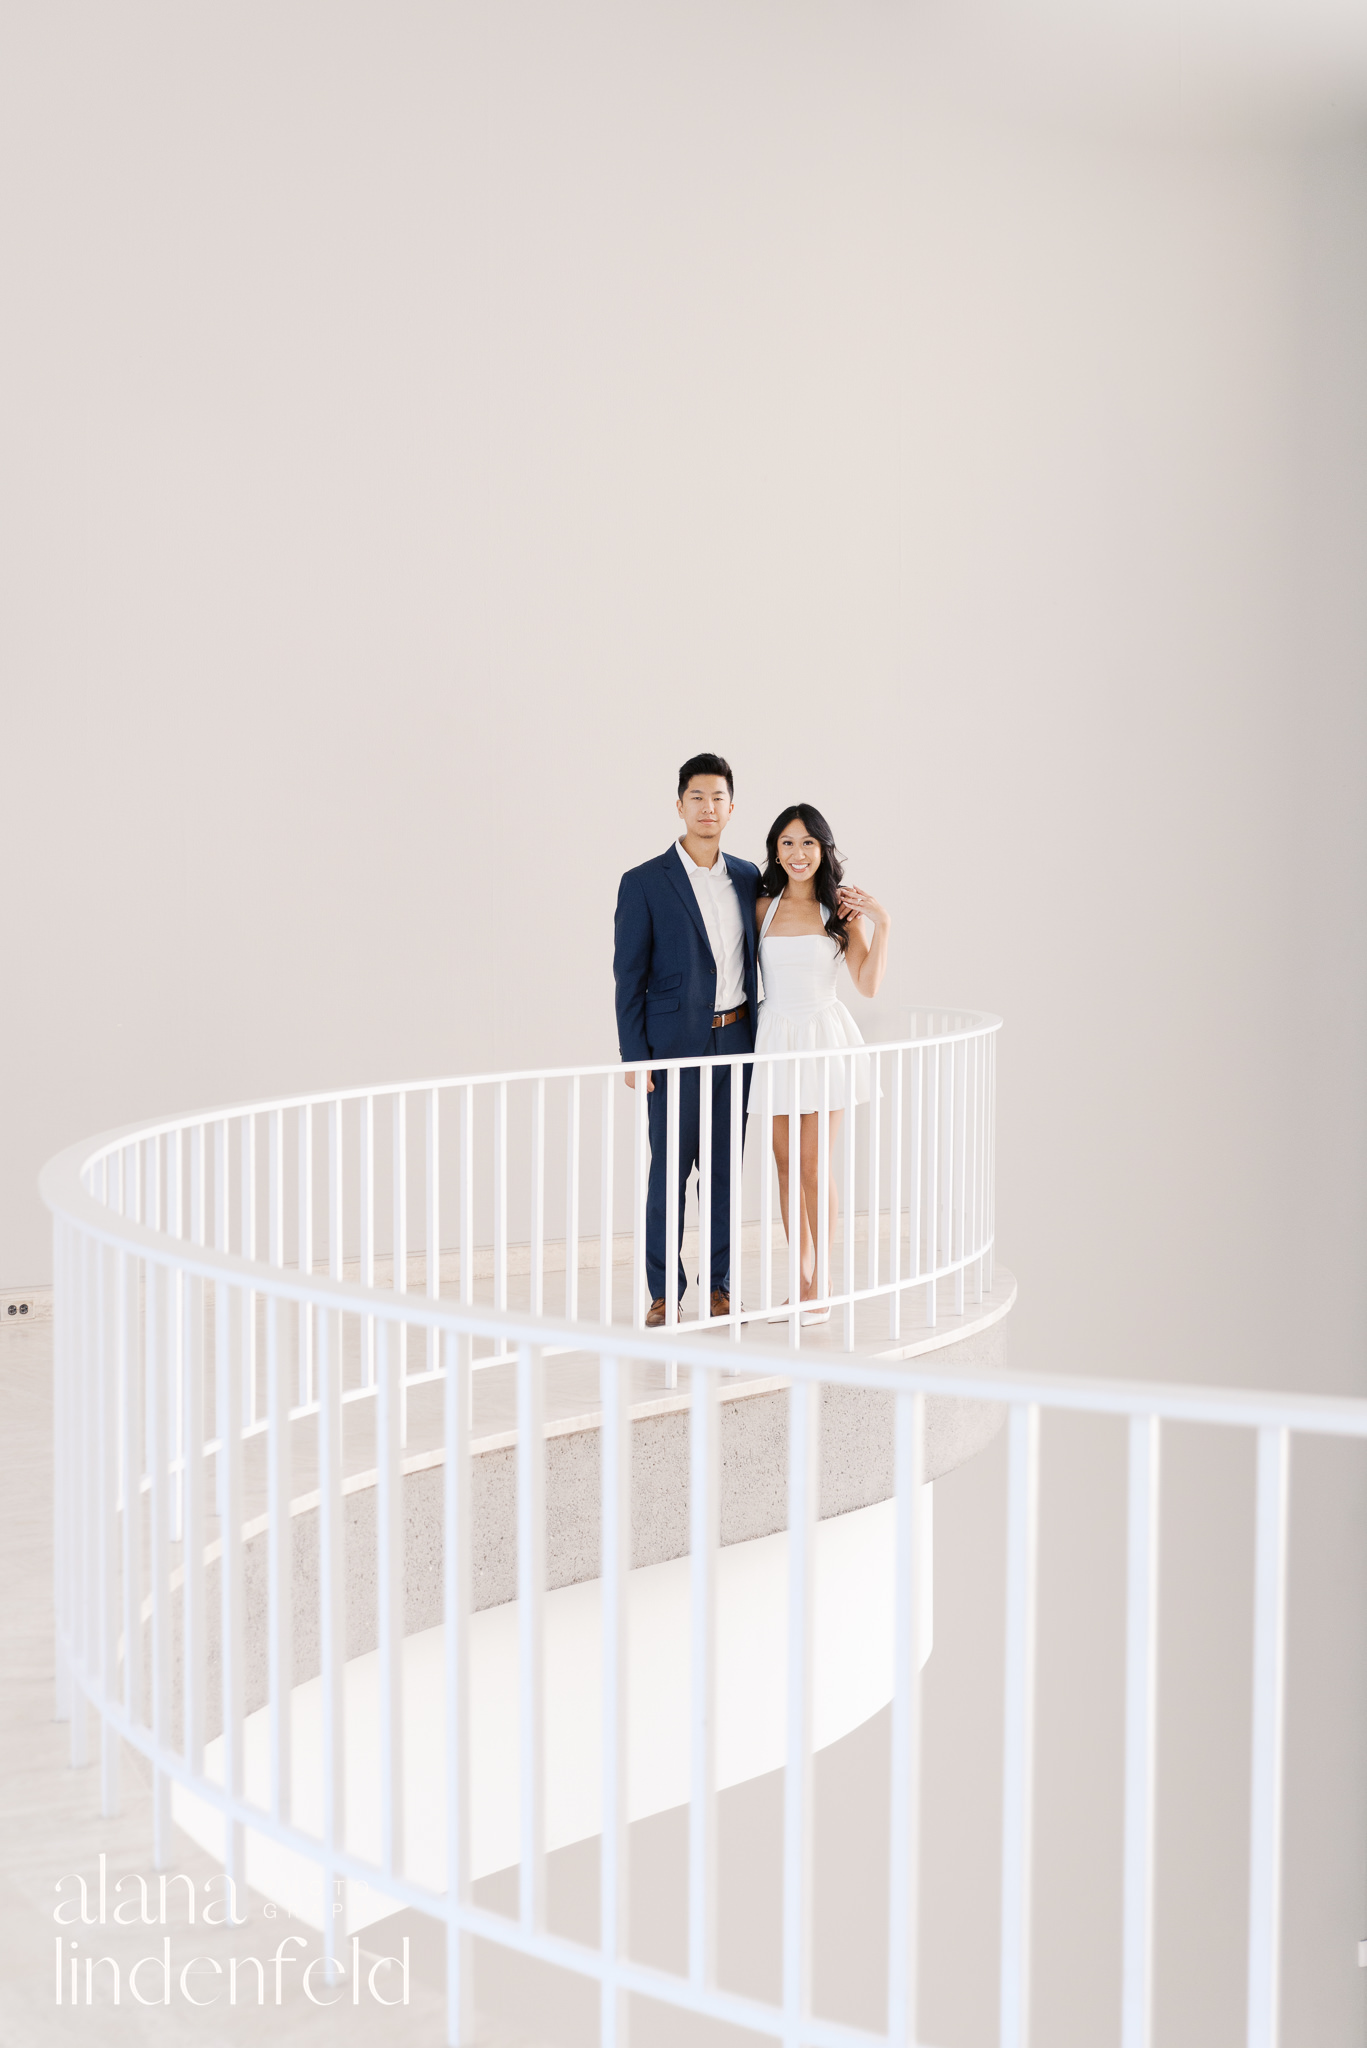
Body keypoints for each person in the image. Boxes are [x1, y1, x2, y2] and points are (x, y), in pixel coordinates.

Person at [614, 753, 761, 1326]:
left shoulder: (749, 877)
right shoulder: (644, 883)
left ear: (731, 806)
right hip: (672, 1049)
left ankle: (720, 1286)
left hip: (736, 1041)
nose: (707, 807)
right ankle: (661, 1292)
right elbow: (630, 976)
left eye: (717, 797)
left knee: (725, 1171)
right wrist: (634, 1055)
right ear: (680, 805)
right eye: (696, 797)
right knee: (669, 1172)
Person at [751, 805, 890, 1324]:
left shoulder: (841, 912)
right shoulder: (762, 907)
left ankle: (824, 1282)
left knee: (814, 1163)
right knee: (785, 1164)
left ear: (823, 849)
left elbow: (868, 985)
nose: (797, 853)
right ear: (776, 851)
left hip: (823, 1038)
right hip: (776, 1036)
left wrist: (884, 924)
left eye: (807, 843)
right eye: (787, 843)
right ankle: (800, 1278)